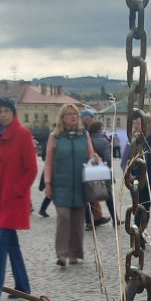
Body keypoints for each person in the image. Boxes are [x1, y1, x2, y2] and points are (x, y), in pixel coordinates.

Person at [0, 96, 37, 301]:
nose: (2, 114)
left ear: (13, 113)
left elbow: (31, 169)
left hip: (14, 199)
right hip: (0, 198)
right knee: (11, 244)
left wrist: (17, 190)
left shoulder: (23, 134)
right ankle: (23, 287)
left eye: (6, 110)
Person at [44, 104, 101, 267]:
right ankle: (62, 254)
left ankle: (75, 253)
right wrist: (47, 182)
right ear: (62, 118)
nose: (73, 116)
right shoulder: (55, 136)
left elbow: (91, 155)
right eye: (69, 114)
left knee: (77, 220)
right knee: (63, 217)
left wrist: (95, 158)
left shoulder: (84, 135)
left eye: (75, 114)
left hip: (80, 184)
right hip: (60, 183)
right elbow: (49, 161)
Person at [120, 111, 151, 247]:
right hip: (135, 181)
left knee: (145, 208)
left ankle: (139, 233)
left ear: (147, 125)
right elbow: (124, 162)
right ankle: (138, 236)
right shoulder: (132, 141)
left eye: (140, 124)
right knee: (138, 207)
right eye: (136, 123)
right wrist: (128, 174)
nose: (137, 126)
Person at [88, 121, 116, 228]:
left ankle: (92, 220)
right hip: (103, 172)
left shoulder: (88, 140)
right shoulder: (104, 141)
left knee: (91, 197)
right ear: (99, 129)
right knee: (109, 196)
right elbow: (108, 159)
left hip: (90, 173)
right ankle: (115, 219)